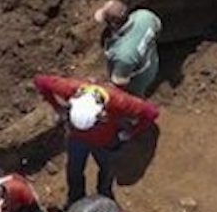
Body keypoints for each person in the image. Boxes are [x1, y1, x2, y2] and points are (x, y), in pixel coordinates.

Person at [33, 74, 160, 203]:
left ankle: (104, 194)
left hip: (103, 142)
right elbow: (40, 81)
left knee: (107, 169)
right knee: (74, 170)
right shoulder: (71, 89)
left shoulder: (119, 101)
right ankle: (76, 197)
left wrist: (131, 132)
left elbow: (151, 112)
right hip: (79, 139)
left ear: (101, 114)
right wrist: (57, 107)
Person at [95, 0, 162, 97]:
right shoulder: (145, 15)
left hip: (138, 79)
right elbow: (158, 27)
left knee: (133, 97)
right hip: (152, 61)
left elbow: (119, 83)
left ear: (114, 24)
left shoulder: (123, 55)